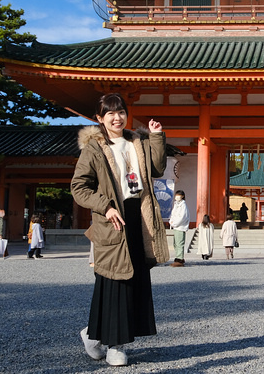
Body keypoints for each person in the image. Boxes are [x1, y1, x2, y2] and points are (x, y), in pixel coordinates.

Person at [71, 92, 169, 367]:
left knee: (134, 280)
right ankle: (115, 346)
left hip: (139, 218)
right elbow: (79, 187)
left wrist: (157, 137)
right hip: (113, 220)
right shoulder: (93, 149)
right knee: (115, 281)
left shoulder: (137, 142)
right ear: (100, 119)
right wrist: (105, 206)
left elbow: (158, 169)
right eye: (110, 113)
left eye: (121, 111)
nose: (117, 117)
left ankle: (93, 335)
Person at [169, 190, 189, 267]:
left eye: (178, 195)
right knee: (175, 243)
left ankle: (180, 259)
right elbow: (173, 214)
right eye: (176, 195)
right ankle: (177, 257)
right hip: (176, 226)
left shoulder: (183, 206)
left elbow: (182, 217)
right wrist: (171, 221)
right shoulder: (177, 204)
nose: (177, 197)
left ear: (182, 196)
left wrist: (175, 223)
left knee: (180, 243)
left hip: (180, 227)